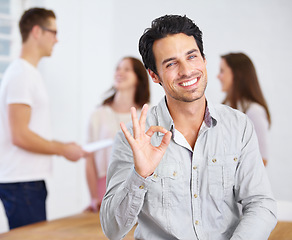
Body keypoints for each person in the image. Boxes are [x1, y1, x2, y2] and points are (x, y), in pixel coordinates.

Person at [100, 15, 277, 240]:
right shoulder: (133, 138)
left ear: (203, 59)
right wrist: (140, 175)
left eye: (192, 57)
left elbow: (261, 204)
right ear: (154, 75)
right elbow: (112, 230)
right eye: (171, 63)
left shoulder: (239, 126)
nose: (186, 71)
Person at [0, 8, 88, 230]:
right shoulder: (22, 75)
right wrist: (63, 149)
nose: (57, 39)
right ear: (37, 31)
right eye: (53, 32)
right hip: (21, 182)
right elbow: (20, 135)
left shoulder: (27, 74)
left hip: (24, 182)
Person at [85, 57, 150, 212]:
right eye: (118, 68)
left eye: (127, 69)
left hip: (137, 185)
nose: (120, 72)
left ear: (138, 79)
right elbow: (89, 158)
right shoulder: (98, 114)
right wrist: (94, 196)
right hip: (105, 184)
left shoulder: (146, 115)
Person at [217, 53, 271, 166]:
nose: (218, 76)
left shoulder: (254, 111)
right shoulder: (225, 109)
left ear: (237, 75)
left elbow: (262, 159)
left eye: (222, 71)